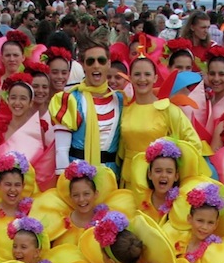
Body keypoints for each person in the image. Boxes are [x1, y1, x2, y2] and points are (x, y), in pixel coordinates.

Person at [119, 57, 202, 190]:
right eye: (137, 74)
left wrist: (171, 168)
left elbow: (194, 144)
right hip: (129, 179)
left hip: (159, 182)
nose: (142, 79)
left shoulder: (167, 109)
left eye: (147, 74)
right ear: (130, 78)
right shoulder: (126, 110)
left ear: (155, 78)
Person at [50, 39, 124, 175]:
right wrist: (66, 182)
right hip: (79, 178)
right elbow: (61, 151)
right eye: (90, 61)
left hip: (112, 178)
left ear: (108, 63)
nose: (96, 65)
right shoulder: (70, 99)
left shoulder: (121, 100)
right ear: (83, 65)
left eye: (101, 60)